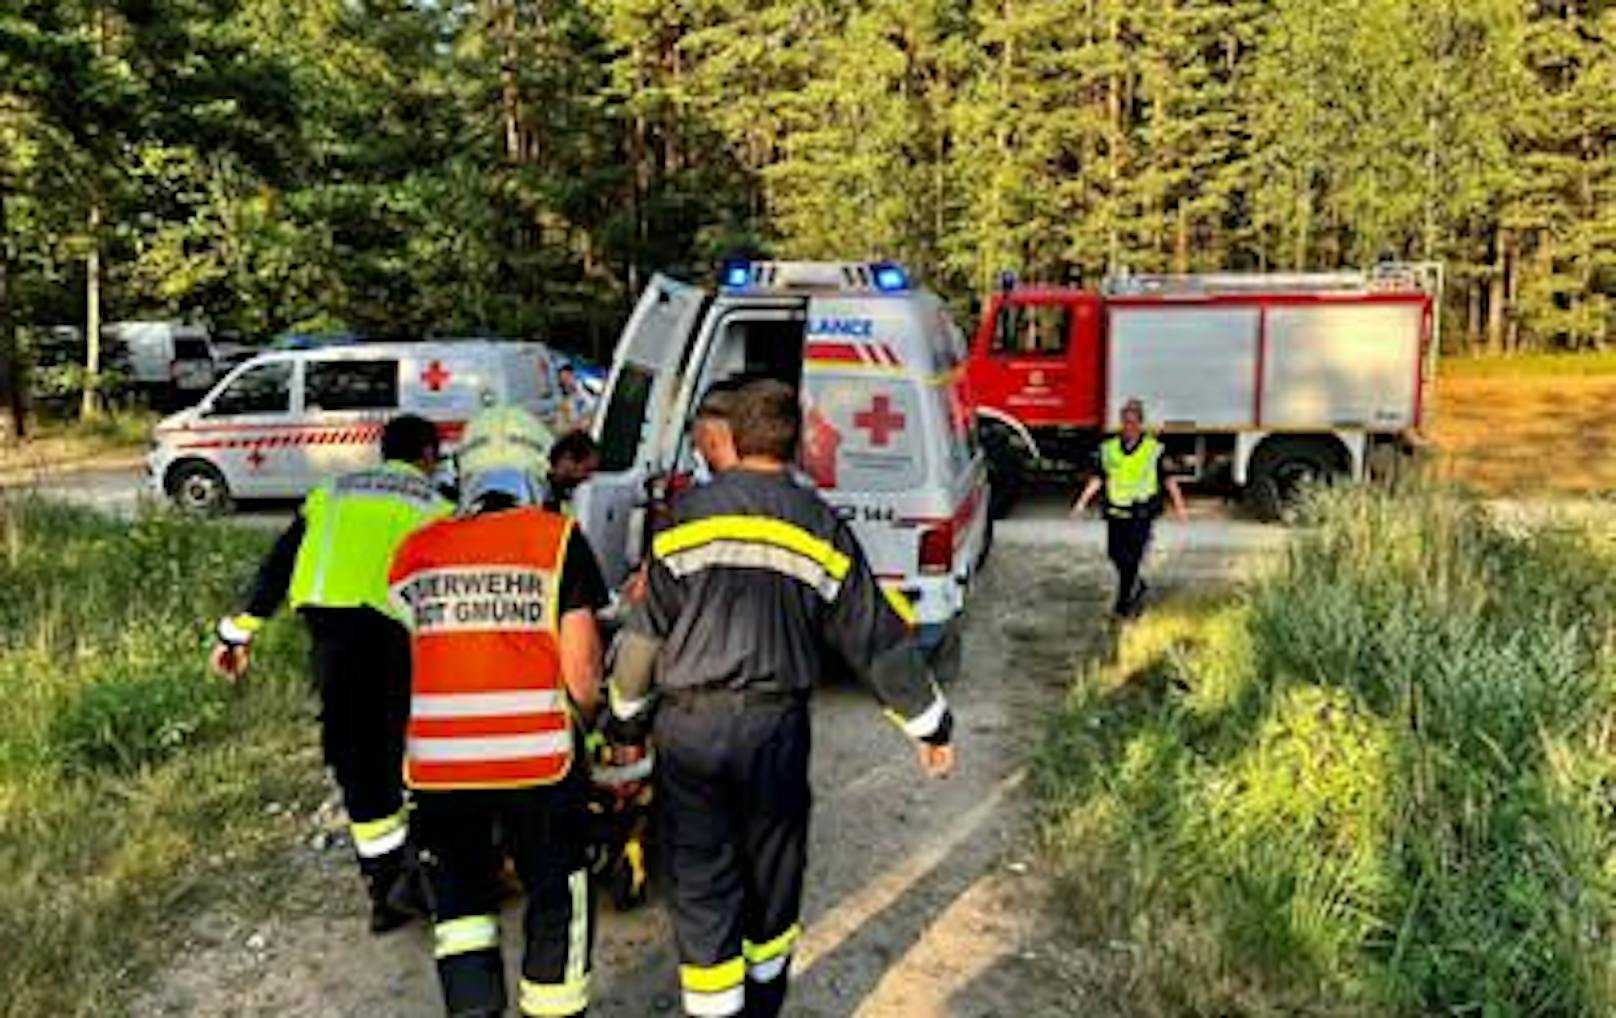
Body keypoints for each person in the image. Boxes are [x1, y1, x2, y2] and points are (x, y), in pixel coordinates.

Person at [604, 378, 957, 1018]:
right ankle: (764, 1004)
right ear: (795, 444)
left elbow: (642, 638)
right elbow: (875, 638)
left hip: (691, 732)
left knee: (703, 882)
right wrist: (929, 725)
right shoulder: (822, 526)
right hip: (776, 730)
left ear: (732, 438)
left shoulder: (685, 521)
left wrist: (624, 718)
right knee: (772, 876)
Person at [388, 417, 610, 1018]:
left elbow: (414, 655)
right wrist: (587, 720)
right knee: (556, 897)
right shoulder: (557, 538)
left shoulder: (418, 548)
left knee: (460, 909)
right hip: (536, 764)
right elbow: (582, 669)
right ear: (539, 471)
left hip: (440, 769)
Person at [209, 414, 452, 933]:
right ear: (428, 454)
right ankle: (423, 872)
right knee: (410, 753)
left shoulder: (331, 493)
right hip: (394, 641)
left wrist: (238, 632)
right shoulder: (435, 507)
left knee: (357, 762)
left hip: (330, 639)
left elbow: (278, 565)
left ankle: (384, 889)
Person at [1070, 398, 1188, 618]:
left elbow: (1169, 479)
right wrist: (1081, 503)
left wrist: (1180, 506)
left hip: (1142, 513)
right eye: (1125, 422)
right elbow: (1098, 477)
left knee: (1131, 558)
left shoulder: (1154, 450)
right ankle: (1137, 584)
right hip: (1115, 512)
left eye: (1133, 422)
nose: (1129, 426)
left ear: (1141, 424)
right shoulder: (1109, 449)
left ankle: (1124, 604)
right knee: (1115, 554)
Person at [545, 430, 600, 514]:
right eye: (587, 470)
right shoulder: (535, 488)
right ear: (568, 460)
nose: (589, 477)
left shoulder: (566, 493)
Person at [554, 364, 598, 434]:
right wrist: (577, 426)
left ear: (573, 374)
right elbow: (559, 428)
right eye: (563, 382)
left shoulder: (589, 385)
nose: (567, 382)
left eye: (568, 377)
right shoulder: (566, 403)